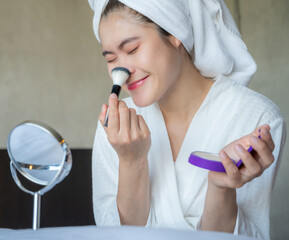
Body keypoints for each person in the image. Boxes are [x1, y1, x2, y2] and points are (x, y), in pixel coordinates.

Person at [88, 0, 286, 239]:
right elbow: (116, 235)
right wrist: (132, 160)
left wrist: (220, 188)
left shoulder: (255, 117)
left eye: (132, 49)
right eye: (111, 59)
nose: (122, 70)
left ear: (174, 34)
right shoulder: (115, 127)